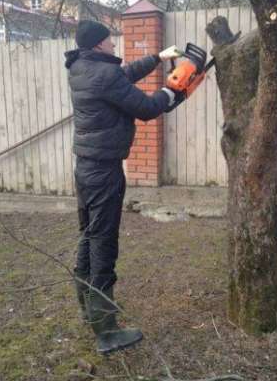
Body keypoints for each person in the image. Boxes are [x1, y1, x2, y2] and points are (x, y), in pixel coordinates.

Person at [64, 20, 185, 354]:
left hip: (87, 168)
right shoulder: (103, 75)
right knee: (103, 243)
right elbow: (146, 108)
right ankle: (105, 330)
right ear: (100, 44)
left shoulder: (80, 67)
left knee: (88, 235)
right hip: (104, 172)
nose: (115, 46)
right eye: (111, 41)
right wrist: (174, 89)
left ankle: (88, 308)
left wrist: (158, 58)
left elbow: (123, 76)